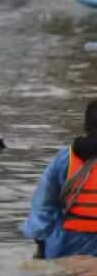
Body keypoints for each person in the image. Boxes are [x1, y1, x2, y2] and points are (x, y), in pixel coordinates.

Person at [23, 100, 97, 259]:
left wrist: (41, 246)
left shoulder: (65, 158)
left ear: (86, 126)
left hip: (66, 247)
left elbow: (43, 206)